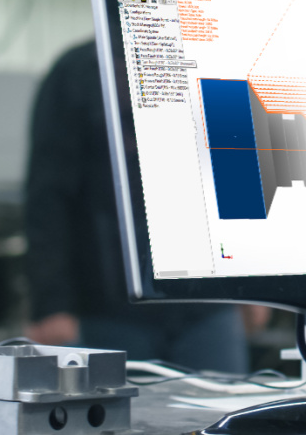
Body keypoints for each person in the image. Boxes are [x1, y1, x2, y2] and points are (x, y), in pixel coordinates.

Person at [24, 41, 264, 371]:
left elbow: (236, 176)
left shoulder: (211, 62)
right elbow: (48, 197)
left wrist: (251, 286)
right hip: (110, 308)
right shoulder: (78, 71)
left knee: (221, 413)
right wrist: (51, 303)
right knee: (122, 418)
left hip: (208, 306)